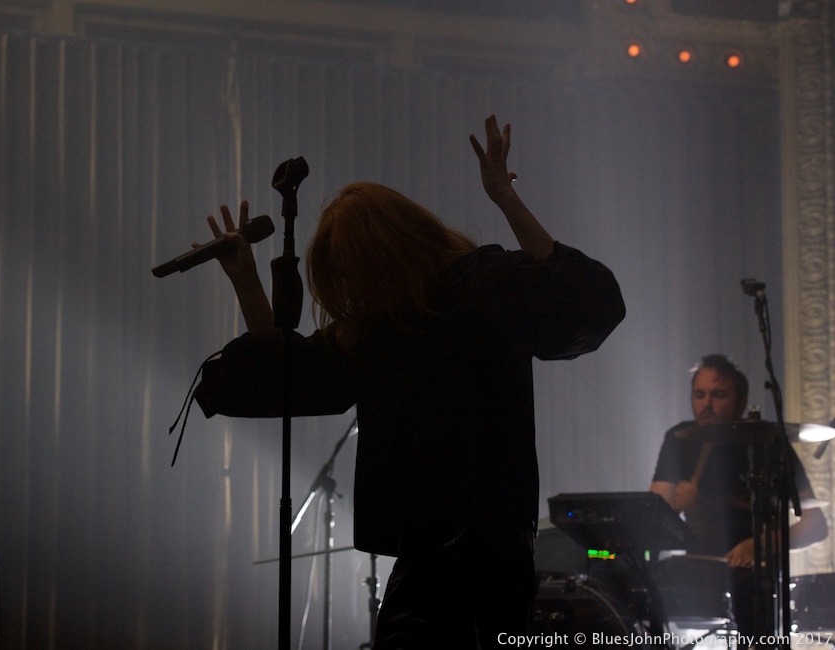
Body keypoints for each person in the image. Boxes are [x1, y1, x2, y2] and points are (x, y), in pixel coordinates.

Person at [192, 115, 626, 648]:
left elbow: (584, 300)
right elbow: (289, 376)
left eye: (354, 274)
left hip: (486, 556)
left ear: (385, 254)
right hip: (426, 557)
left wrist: (506, 200)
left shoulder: (480, 287)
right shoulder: (379, 329)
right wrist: (246, 281)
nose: (350, 292)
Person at [649, 354, 828, 640]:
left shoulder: (768, 442)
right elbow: (652, 515)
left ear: (741, 402)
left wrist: (762, 545)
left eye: (718, 395)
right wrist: (674, 502)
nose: (706, 405)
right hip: (699, 567)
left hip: (753, 572)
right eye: (699, 395)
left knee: (751, 598)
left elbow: (816, 525)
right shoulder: (679, 439)